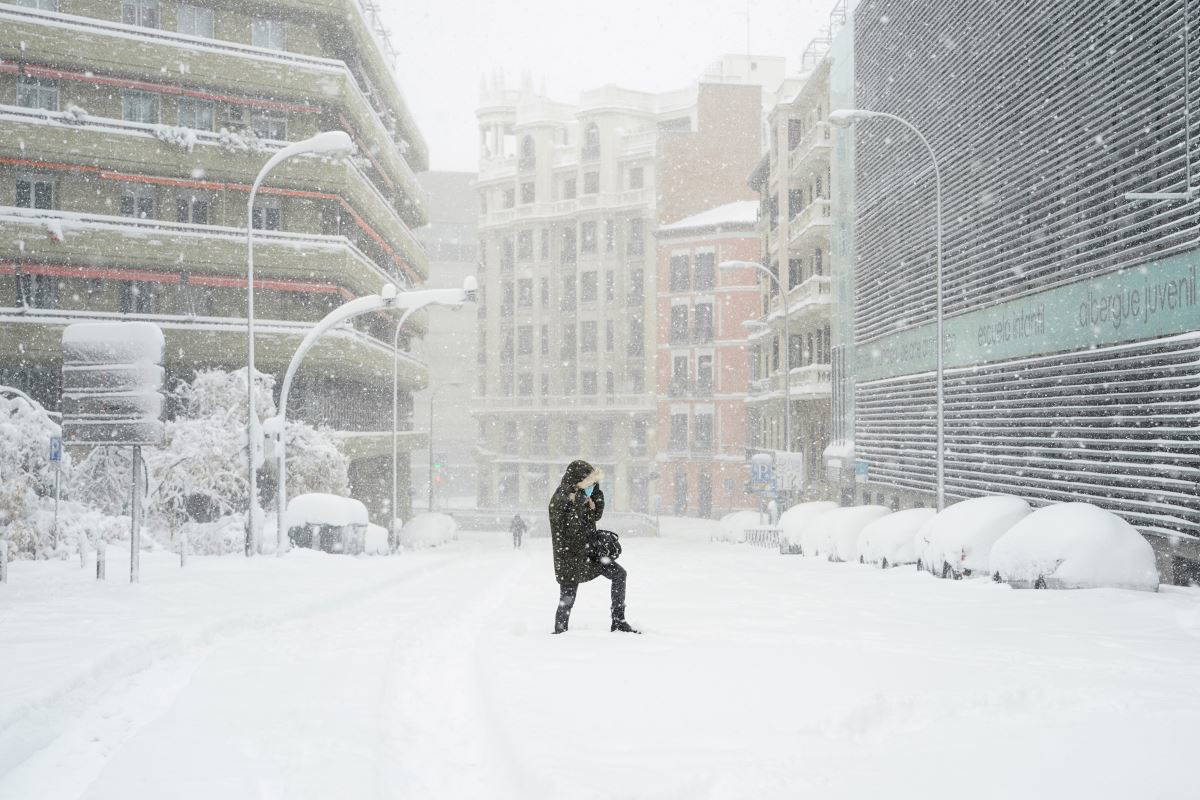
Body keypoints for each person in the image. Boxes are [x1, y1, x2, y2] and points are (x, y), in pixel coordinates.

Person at [548, 459, 639, 634]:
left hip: (590, 554)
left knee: (619, 574)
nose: (590, 485)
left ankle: (618, 621)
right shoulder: (560, 498)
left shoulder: (580, 494)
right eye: (589, 482)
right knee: (567, 596)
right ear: (577, 479)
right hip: (569, 557)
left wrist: (595, 494)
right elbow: (571, 530)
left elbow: (595, 516)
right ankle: (560, 631)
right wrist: (582, 501)